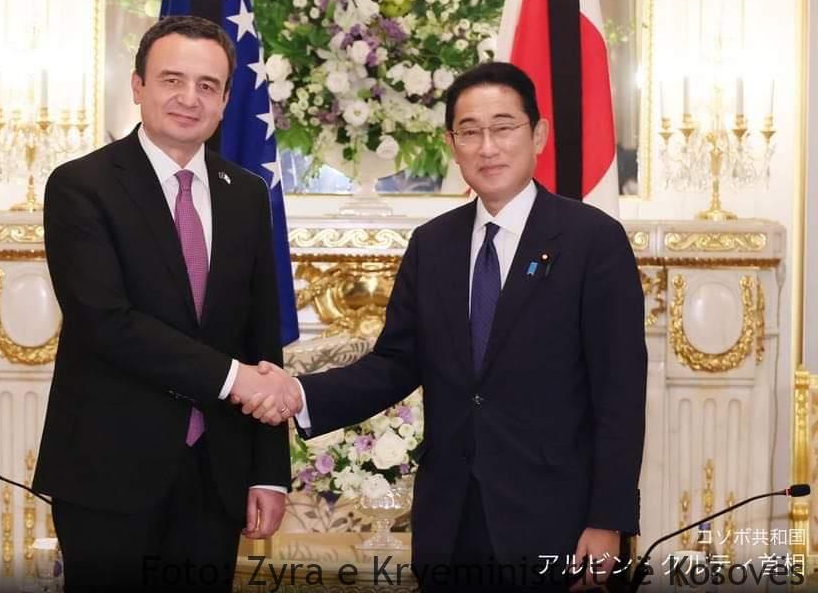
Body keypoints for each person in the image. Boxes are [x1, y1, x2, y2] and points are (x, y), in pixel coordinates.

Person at [241, 62, 647, 591]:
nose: (487, 147)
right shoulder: (433, 244)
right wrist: (297, 392)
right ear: (451, 145)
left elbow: (620, 393)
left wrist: (608, 519)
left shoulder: (593, 240)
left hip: (556, 522)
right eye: (470, 132)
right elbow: (395, 364)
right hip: (450, 523)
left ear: (538, 134)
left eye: (503, 127)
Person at [32, 15, 302, 592]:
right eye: (171, 80)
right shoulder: (81, 186)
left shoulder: (247, 194)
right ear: (138, 86)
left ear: (225, 101)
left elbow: (261, 336)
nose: (189, 98)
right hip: (108, 473)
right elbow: (107, 323)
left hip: (216, 477)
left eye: (207, 85)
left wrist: (269, 473)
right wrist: (233, 379)